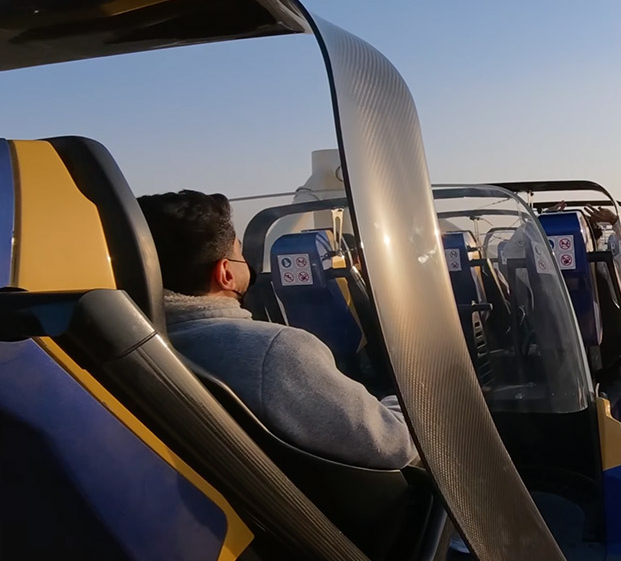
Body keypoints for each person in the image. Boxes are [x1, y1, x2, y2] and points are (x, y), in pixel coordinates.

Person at [137, 190, 417, 469]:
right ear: (226, 274)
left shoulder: (135, 341)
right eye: (240, 254)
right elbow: (394, 445)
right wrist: (407, 395)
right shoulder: (274, 352)